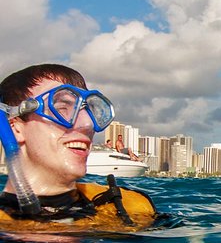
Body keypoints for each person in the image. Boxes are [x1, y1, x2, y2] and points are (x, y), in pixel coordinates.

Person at [0, 63, 158, 232]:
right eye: (61, 109)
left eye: (88, 110)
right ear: (14, 128)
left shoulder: (131, 206)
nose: (87, 124)